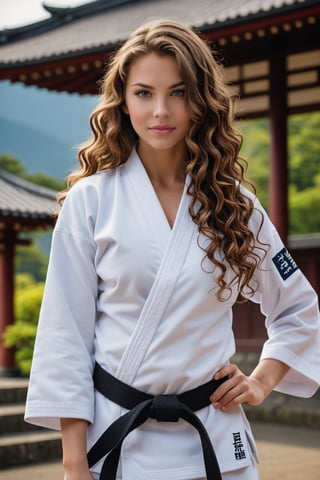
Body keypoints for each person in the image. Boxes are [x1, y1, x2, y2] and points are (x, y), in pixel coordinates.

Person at [25, 19, 320, 480]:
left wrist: (261, 382)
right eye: (144, 93)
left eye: (178, 92)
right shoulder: (92, 201)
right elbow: (65, 337)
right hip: (119, 442)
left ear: (201, 100)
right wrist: (73, 463)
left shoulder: (235, 204)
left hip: (216, 443)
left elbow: (298, 307)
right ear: (123, 101)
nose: (161, 111)